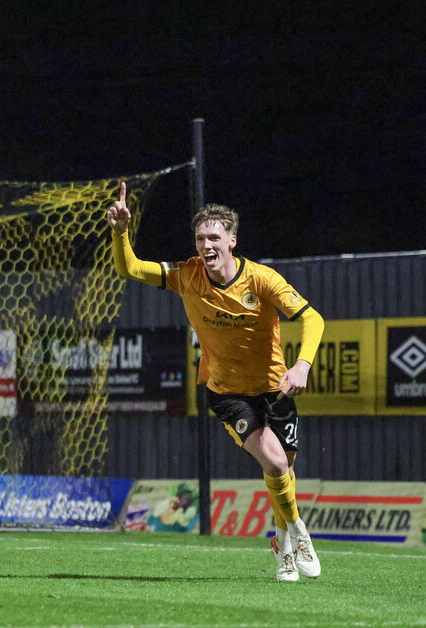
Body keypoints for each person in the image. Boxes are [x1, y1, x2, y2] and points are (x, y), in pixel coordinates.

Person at [107, 182, 325, 582]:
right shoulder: (187, 275)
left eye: (213, 238)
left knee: (284, 473)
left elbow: (312, 318)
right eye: (200, 238)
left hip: (275, 388)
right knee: (275, 462)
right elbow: (130, 268)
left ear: (231, 241)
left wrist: (302, 365)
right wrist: (121, 232)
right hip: (227, 392)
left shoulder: (262, 280)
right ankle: (299, 533)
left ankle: (283, 549)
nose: (205, 245)